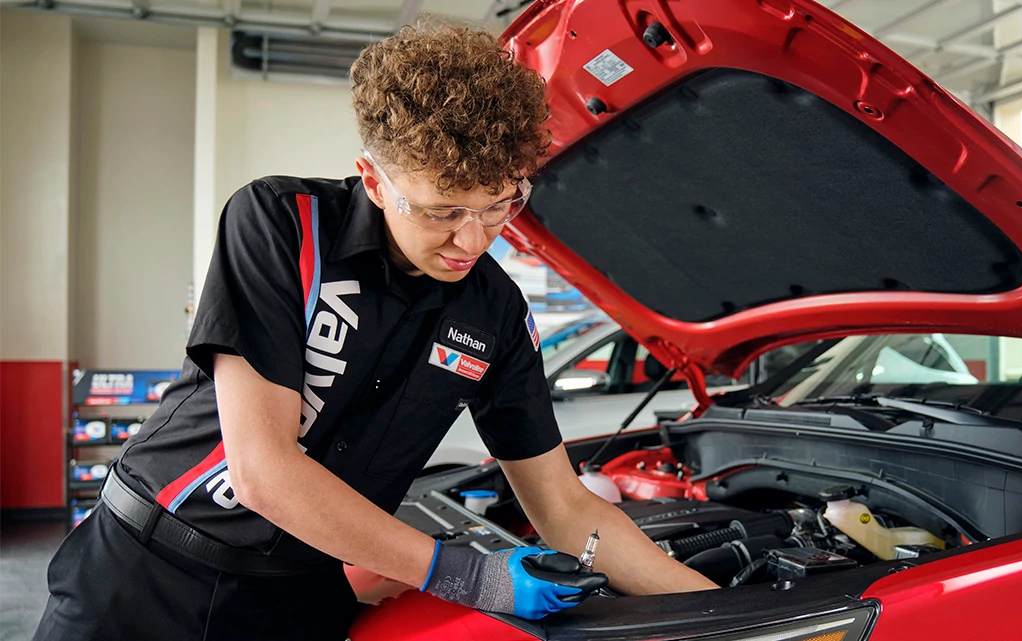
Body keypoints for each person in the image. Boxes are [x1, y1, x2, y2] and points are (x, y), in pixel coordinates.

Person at [33, 22, 717, 641]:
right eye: (443, 209)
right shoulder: (282, 224)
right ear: (373, 179)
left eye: (501, 203)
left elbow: (568, 506)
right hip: (144, 575)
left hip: (299, 605)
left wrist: (720, 612)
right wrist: (466, 575)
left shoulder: (497, 313)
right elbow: (263, 471)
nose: (473, 239)